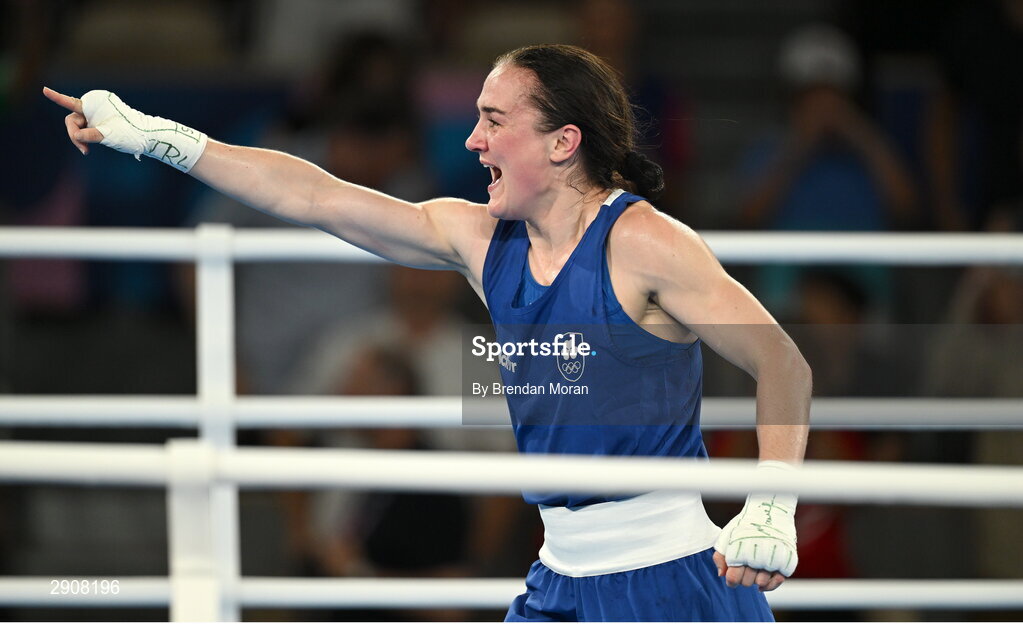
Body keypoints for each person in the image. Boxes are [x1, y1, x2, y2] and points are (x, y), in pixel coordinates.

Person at [44, 43, 810, 622]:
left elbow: (778, 357)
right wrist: (157, 137)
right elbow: (316, 197)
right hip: (558, 577)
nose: (472, 142)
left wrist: (771, 500)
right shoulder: (477, 239)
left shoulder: (645, 244)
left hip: (667, 579)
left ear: (562, 142)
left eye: (493, 121)